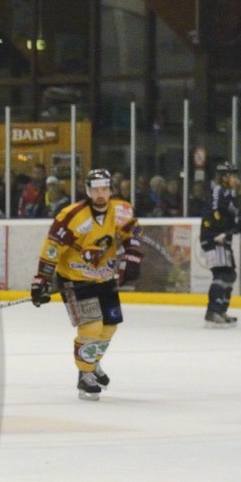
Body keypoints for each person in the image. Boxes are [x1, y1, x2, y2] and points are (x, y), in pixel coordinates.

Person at [29, 168, 141, 400]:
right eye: (96, 190)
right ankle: (85, 374)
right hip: (75, 280)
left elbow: (132, 230)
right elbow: (53, 247)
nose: (101, 194)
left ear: (110, 189)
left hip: (105, 277)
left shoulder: (120, 210)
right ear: (88, 191)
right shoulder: (72, 216)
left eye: (104, 189)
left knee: (109, 327)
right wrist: (42, 279)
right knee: (91, 327)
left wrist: (132, 254)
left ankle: (92, 362)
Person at [200, 161, 241, 326]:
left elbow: (234, 218)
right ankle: (213, 312)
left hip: (223, 239)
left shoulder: (231, 195)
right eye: (234, 175)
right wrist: (220, 229)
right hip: (214, 238)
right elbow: (216, 212)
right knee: (222, 274)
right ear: (225, 177)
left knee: (230, 275)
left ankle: (221, 311)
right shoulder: (219, 191)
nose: (236, 179)